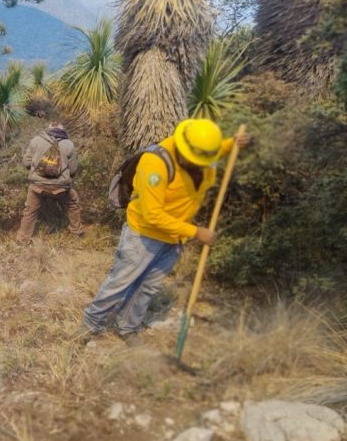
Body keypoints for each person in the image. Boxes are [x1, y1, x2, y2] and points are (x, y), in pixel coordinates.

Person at [78, 119, 250, 346]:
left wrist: (232, 144)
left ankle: (127, 327)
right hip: (144, 236)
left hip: (174, 236)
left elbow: (216, 151)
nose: (202, 164)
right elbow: (153, 215)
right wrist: (196, 232)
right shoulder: (156, 163)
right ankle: (89, 327)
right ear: (183, 148)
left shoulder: (200, 152)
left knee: (148, 286)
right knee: (120, 282)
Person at [16, 121, 84, 241]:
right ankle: (76, 233)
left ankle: (23, 238)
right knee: (73, 203)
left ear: (49, 129)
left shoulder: (36, 140)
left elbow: (26, 162)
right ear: (63, 130)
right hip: (61, 187)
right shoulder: (69, 144)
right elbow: (73, 170)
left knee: (30, 210)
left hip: (37, 185)